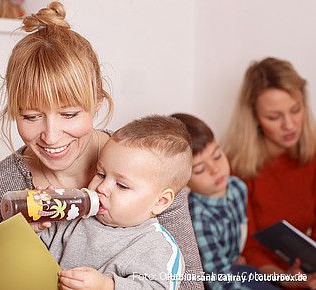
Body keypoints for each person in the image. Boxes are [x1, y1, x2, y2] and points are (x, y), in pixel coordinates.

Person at [0, 2, 204, 289]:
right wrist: (16, 239)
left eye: (69, 114)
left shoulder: (151, 168)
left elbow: (188, 283)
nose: (51, 137)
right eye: (31, 116)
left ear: (97, 102)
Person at [38, 115, 189, 290]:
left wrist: (106, 286)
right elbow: (32, 250)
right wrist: (36, 223)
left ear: (160, 201)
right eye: (100, 174)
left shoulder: (157, 247)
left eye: (122, 185)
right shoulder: (74, 215)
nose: (101, 188)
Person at [223, 57, 316, 289]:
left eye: (295, 110)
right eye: (274, 117)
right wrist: (287, 279)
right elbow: (248, 249)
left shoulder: (312, 159)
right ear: (253, 118)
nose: (289, 125)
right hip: (263, 276)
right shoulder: (234, 167)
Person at [173, 113, 280, 290]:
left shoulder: (238, 187)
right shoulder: (199, 217)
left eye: (217, 156)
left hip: (234, 268)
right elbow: (217, 279)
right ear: (183, 179)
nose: (215, 169)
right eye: (200, 169)